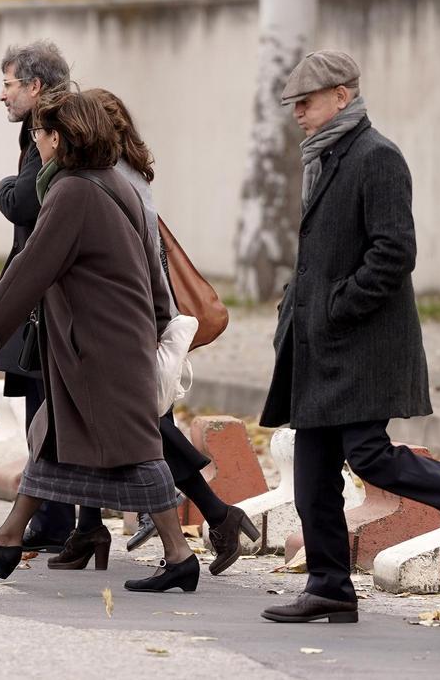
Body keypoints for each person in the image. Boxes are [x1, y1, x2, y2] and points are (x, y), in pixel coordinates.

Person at [259, 51, 440, 624]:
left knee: (370, 457)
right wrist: (298, 301)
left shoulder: (376, 157)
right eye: (294, 105)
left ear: (343, 95)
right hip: (323, 345)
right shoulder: (324, 159)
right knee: (312, 475)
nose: (298, 113)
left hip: (360, 343)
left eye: (306, 102)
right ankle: (329, 586)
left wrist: (333, 308)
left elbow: (393, 253)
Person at [0, 90, 199, 593]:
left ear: (58, 138)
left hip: (100, 347)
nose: (35, 143)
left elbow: (33, 267)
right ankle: (7, 538)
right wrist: (154, 323)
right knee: (51, 434)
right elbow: (154, 266)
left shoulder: (71, 192)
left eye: (39, 134)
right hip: (111, 340)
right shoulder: (113, 183)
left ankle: (179, 555)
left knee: (138, 450)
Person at [40, 88, 259, 576]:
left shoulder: (107, 177)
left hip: (125, 322)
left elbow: (140, 258)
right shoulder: (121, 171)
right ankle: (89, 527)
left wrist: (155, 322)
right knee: (102, 426)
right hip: (124, 320)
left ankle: (208, 523)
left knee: (139, 436)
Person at [0, 40, 77, 553]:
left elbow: (27, 199)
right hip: (44, 290)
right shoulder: (37, 128)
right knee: (39, 401)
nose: (1, 96)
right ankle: (59, 523)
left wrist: (5, 186)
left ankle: (57, 523)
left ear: (34, 87)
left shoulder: (53, 129)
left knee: (51, 408)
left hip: (56, 291)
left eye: (8, 85)